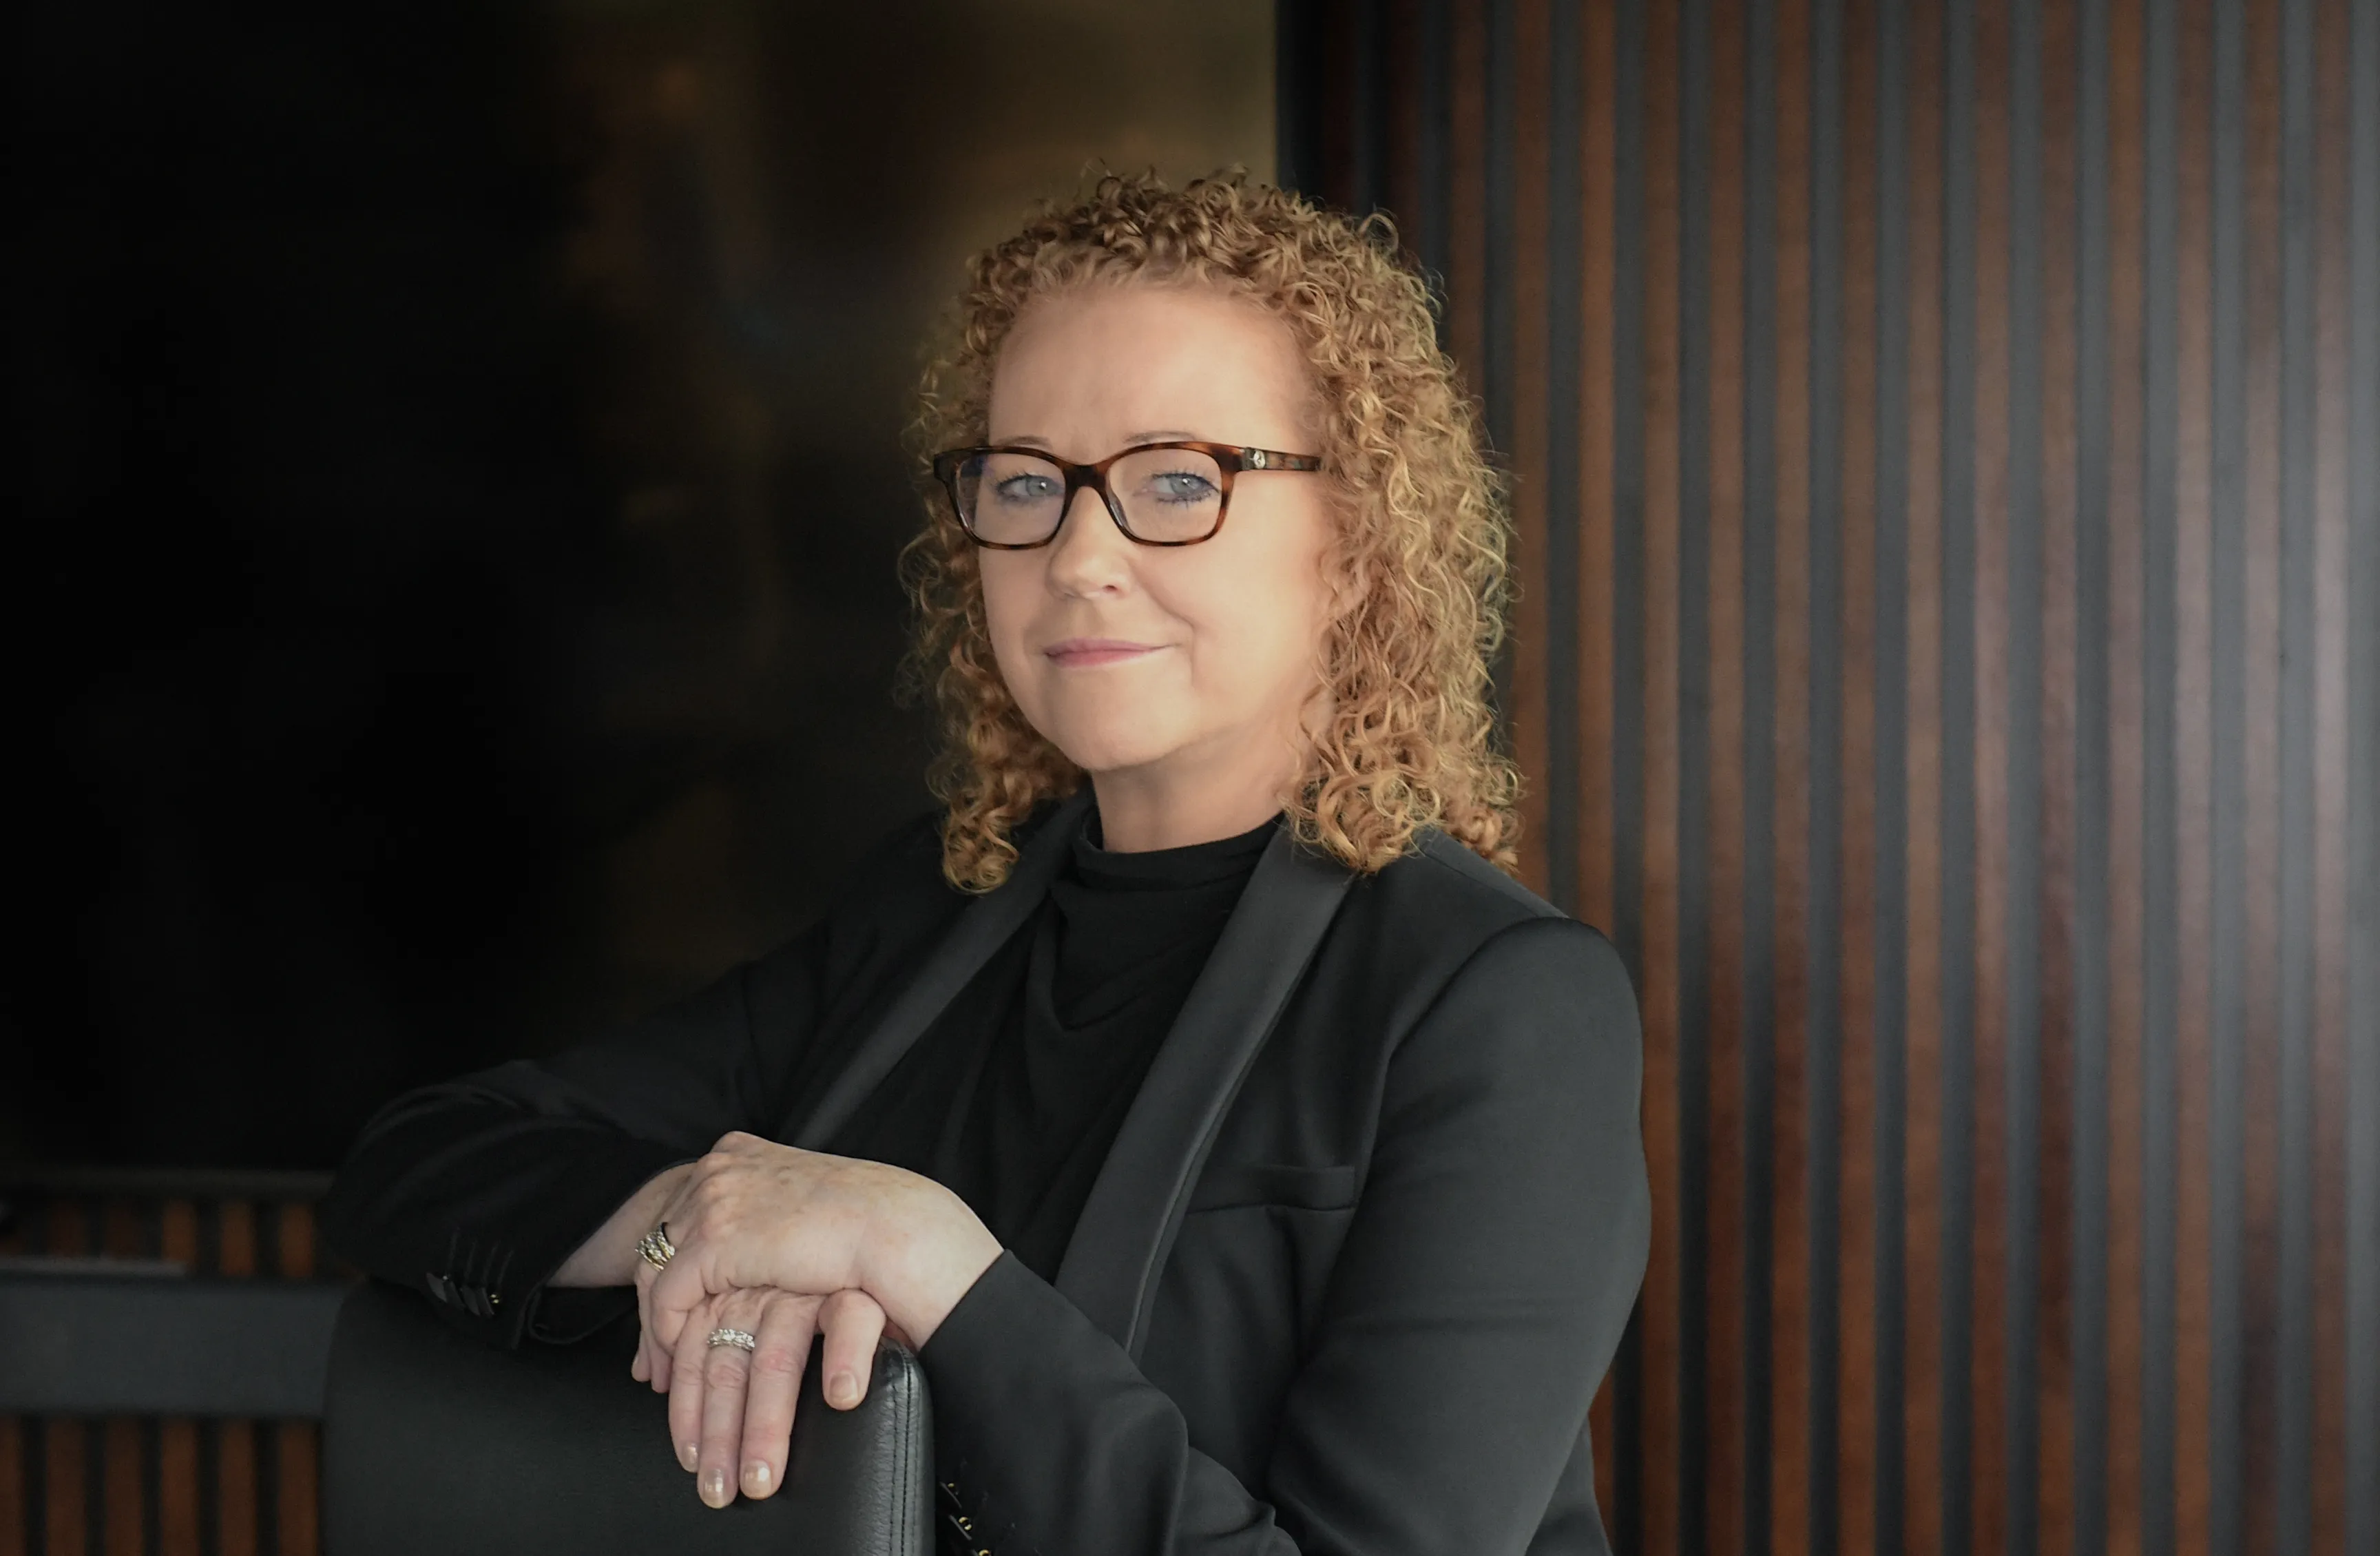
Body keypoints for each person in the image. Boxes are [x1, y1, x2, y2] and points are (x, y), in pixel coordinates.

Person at [320, 170, 1649, 1555]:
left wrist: (923, 1260)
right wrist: (715, 1226)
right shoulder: (942, 907)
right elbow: (413, 1163)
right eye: (1026, 482)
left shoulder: (1499, 1006)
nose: (1078, 553)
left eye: (1177, 480)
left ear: (1358, 541)